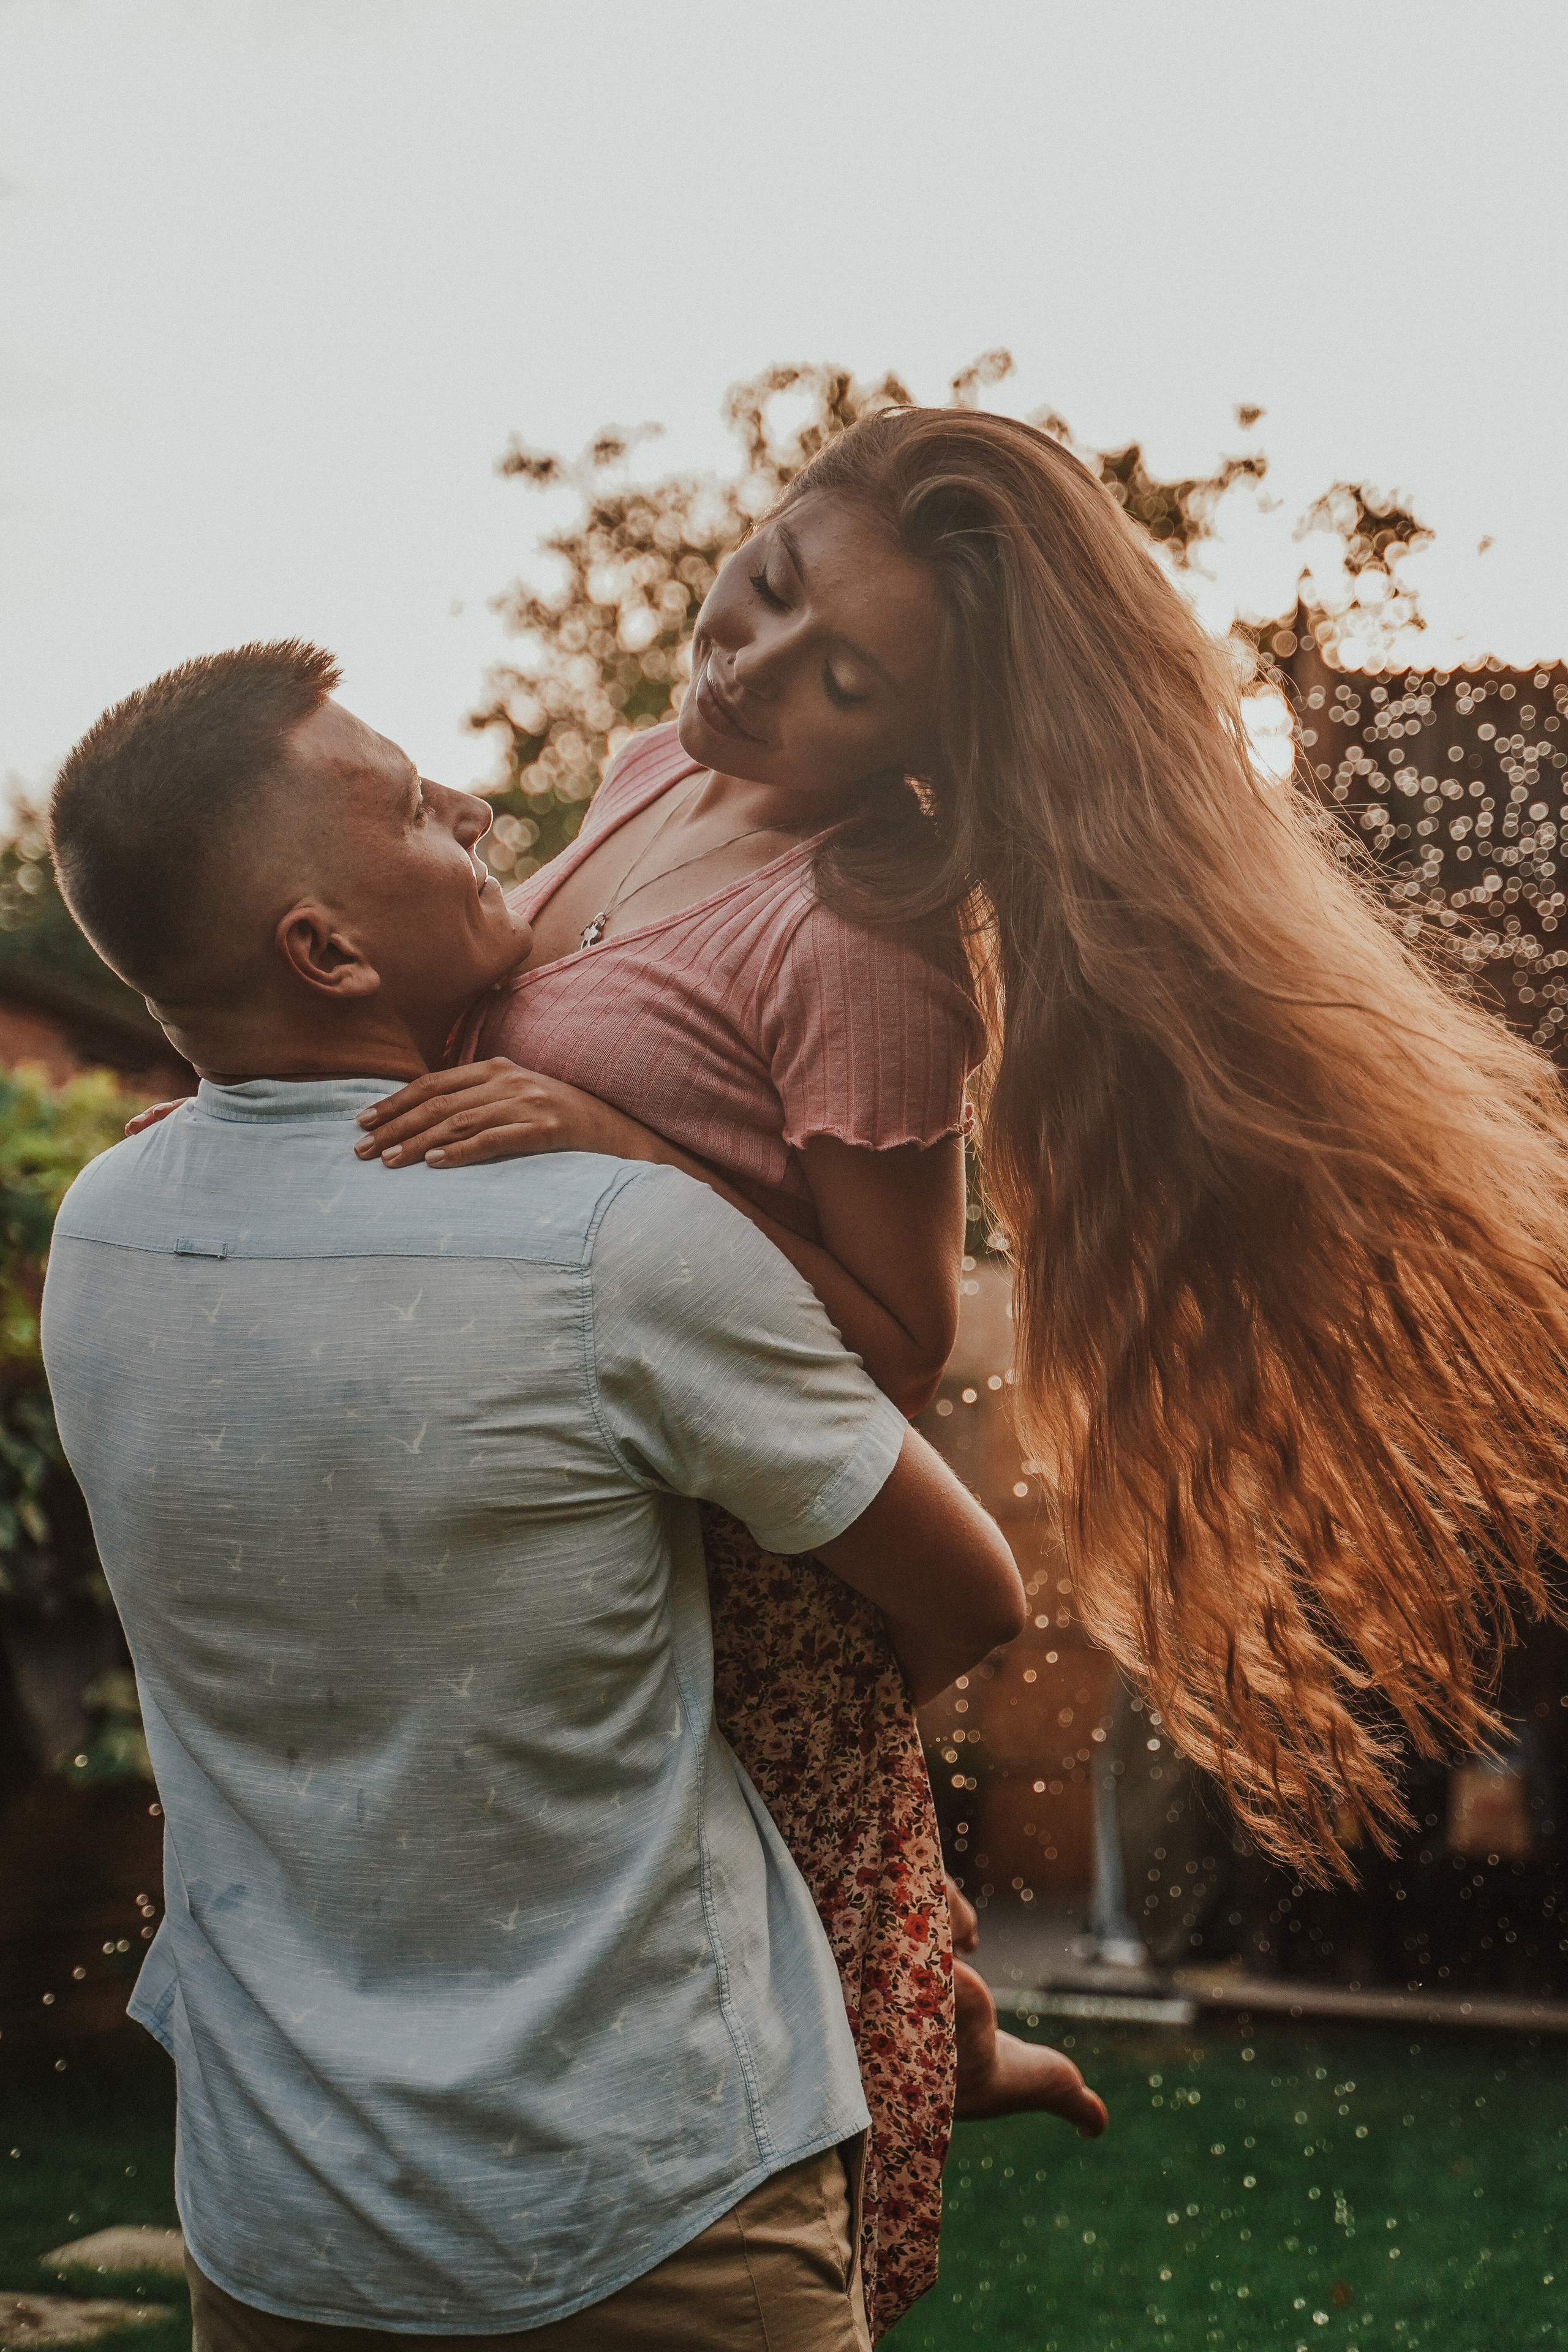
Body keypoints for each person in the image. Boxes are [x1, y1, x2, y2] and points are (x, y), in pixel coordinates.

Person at [353, 404, 1568, 2302]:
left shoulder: (862, 940)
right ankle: (929, 2001)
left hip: (731, 1544)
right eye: (762, 594)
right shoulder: (647, 765)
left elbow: (899, 1343)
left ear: (930, 748)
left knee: (722, 1993)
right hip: (573, 1486)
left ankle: (925, 2031)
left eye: (843, 683)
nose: (752, 670)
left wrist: (622, 1157)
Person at [41, 642, 1028, 2351]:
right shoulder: (603, 1243)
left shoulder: (98, 1237)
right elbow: (973, 1595)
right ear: (326, 949)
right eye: (417, 808)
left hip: (277, 2226)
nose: (481, 808)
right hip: (654, 2215)